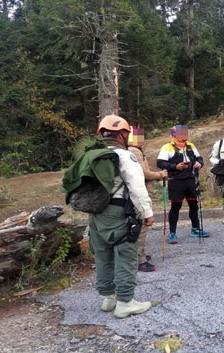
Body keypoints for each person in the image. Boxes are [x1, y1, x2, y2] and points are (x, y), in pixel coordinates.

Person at [90, 114, 154, 319]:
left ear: (102, 134)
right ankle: (125, 302)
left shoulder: (91, 155)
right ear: (122, 135)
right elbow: (137, 186)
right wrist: (147, 213)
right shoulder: (125, 156)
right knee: (125, 255)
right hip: (118, 211)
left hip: (95, 214)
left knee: (103, 255)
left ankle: (109, 298)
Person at [156, 125, 210, 244]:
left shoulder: (191, 145)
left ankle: (195, 229)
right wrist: (175, 166)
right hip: (176, 181)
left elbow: (199, 158)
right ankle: (172, 233)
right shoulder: (167, 147)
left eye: (184, 136)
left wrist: (199, 163)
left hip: (191, 179)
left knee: (194, 205)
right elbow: (160, 163)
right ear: (173, 136)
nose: (182, 139)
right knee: (175, 207)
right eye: (179, 137)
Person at [128, 125, 167, 272]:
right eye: (138, 136)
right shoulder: (134, 151)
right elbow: (143, 173)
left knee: (139, 225)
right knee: (142, 225)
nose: (142, 140)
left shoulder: (134, 150)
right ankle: (140, 259)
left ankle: (139, 254)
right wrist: (159, 175)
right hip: (140, 193)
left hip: (138, 192)